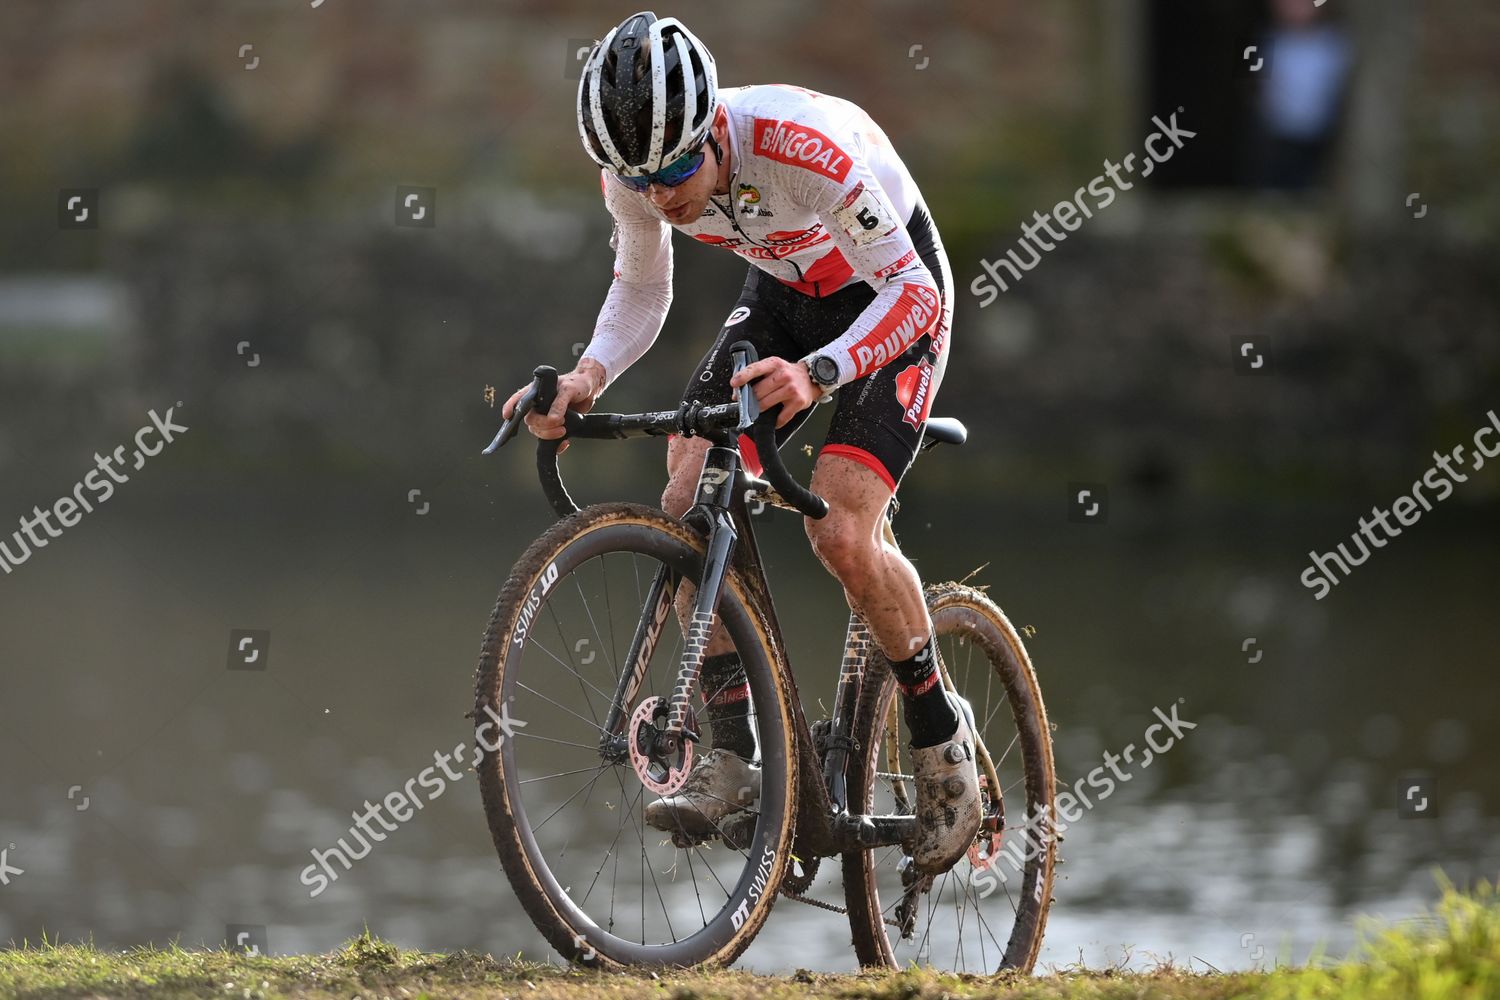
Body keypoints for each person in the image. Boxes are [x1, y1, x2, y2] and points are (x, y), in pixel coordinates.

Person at [503, 11, 978, 872]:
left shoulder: (800, 147)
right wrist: (585, 379)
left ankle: (940, 733)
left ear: (713, 127)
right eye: (639, 179)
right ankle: (737, 751)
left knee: (839, 530)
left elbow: (914, 295)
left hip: (891, 292)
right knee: (687, 493)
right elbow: (644, 289)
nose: (663, 195)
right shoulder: (637, 175)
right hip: (787, 290)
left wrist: (823, 372)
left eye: (680, 168)